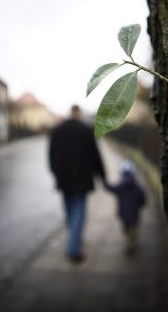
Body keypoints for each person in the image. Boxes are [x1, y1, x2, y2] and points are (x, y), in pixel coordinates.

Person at [48, 105, 105, 262]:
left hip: (64, 178)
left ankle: (74, 238)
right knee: (79, 210)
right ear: (79, 114)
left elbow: (51, 156)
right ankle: (73, 248)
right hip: (82, 178)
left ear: (69, 113)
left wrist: (55, 172)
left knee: (69, 210)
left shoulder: (58, 131)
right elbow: (95, 155)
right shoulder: (86, 131)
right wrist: (102, 175)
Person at [104, 160, 146, 254]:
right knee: (133, 229)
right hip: (134, 214)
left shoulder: (121, 186)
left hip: (123, 214)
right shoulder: (137, 186)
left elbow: (111, 188)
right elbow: (142, 198)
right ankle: (132, 244)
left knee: (126, 229)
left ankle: (129, 243)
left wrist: (104, 182)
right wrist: (140, 204)